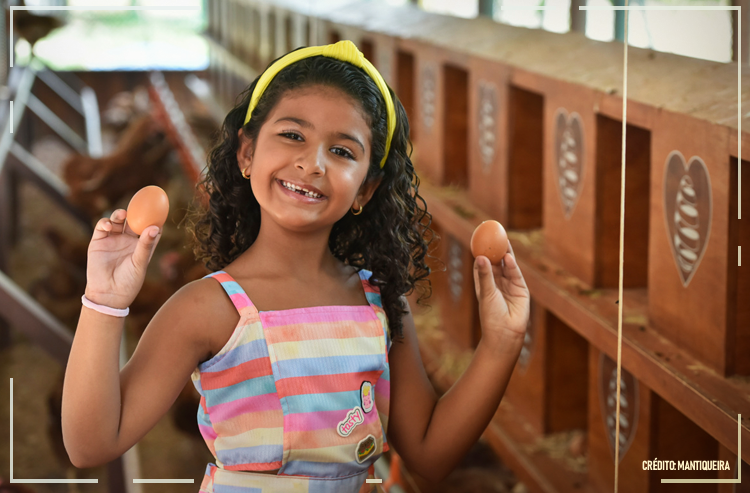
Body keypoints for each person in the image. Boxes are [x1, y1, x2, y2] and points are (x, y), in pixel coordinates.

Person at [61, 40, 531, 493]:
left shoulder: (380, 302)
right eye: (292, 135)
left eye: (342, 151)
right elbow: (91, 444)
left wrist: (502, 343)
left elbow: (430, 453)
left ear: (366, 189)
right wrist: (103, 301)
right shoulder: (205, 308)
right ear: (247, 153)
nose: (312, 163)